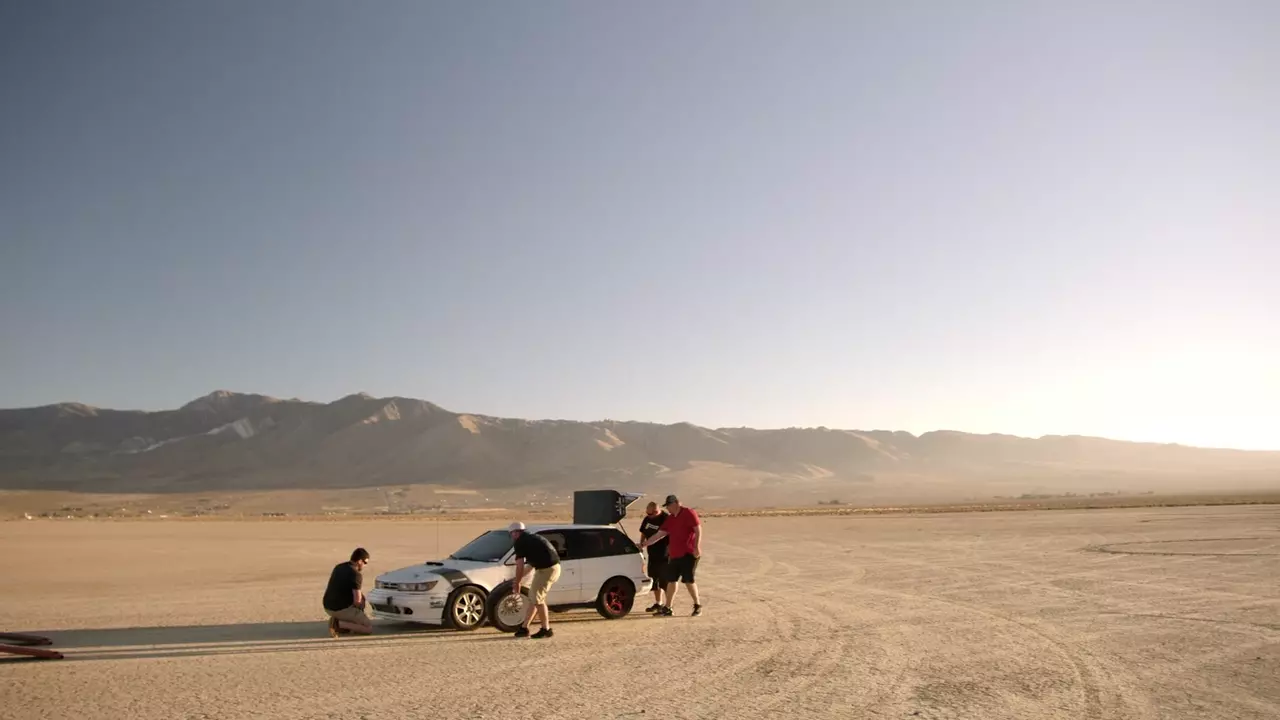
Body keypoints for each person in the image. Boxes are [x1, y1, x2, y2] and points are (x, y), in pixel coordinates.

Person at [640, 494, 702, 617]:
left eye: (668, 506)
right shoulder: (671, 519)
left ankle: (697, 605)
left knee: (688, 580)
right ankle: (668, 608)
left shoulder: (689, 513)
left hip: (689, 553)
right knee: (671, 581)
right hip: (674, 555)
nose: (667, 509)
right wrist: (644, 544)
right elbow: (659, 535)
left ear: (675, 504)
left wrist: (696, 546)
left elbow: (698, 529)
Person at [509, 521, 561, 639]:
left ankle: (546, 629)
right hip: (552, 568)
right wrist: (517, 580)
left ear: (515, 533)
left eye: (512, 533)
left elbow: (520, 566)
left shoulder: (520, 542)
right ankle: (524, 628)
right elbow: (531, 565)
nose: (512, 536)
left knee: (538, 599)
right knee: (534, 598)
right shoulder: (532, 538)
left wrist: (517, 582)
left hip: (547, 570)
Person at [323, 547, 373, 637]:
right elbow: (357, 601)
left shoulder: (339, 567)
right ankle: (338, 624)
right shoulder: (356, 574)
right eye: (365, 563)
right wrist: (360, 609)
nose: (365, 565)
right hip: (340, 609)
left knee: (355, 613)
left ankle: (341, 623)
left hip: (327, 606)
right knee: (368, 628)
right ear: (359, 561)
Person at [637, 501, 669, 612]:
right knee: (654, 580)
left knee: (665, 581)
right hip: (652, 554)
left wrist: (645, 544)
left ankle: (668, 605)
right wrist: (641, 544)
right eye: (647, 513)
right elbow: (643, 532)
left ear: (656, 511)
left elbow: (660, 536)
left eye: (650, 514)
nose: (648, 516)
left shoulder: (665, 519)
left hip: (664, 554)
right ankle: (658, 603)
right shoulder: (647, 519)